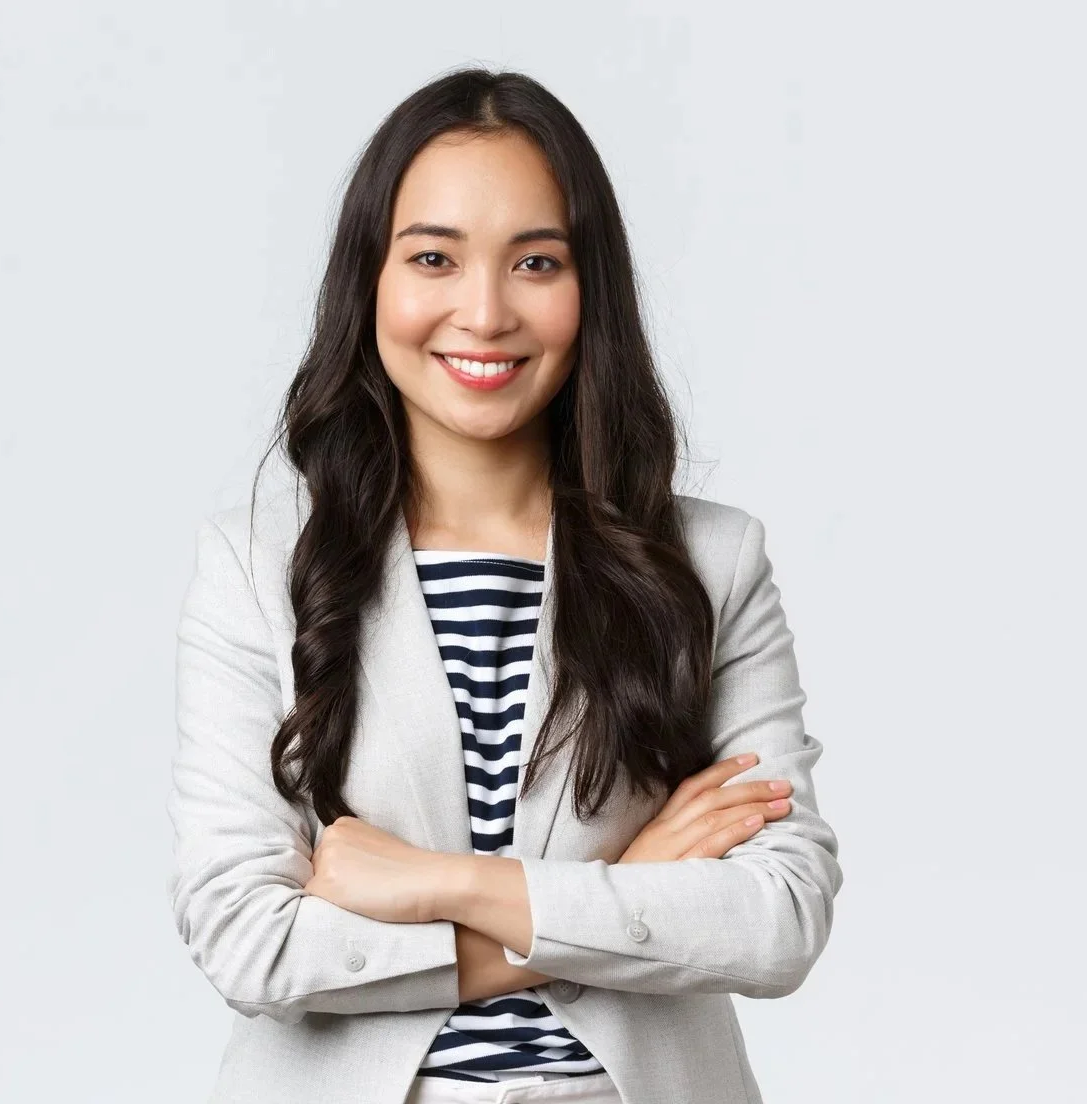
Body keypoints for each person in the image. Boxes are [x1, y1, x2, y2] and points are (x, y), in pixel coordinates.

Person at [166, 66, 842, 1104]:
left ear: (590, 290)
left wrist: (441, 885)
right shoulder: (258, 566)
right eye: (433, 257)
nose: (482, 313)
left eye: (535, 261)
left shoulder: (711, 563)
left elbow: (778, 918)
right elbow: (252, 942)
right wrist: (628, 888)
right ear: (371, 282)